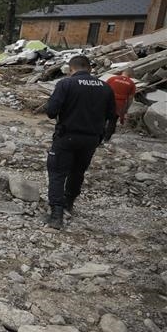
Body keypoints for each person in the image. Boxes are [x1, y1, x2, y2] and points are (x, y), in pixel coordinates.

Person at [44, 55, 116, 229]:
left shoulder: (66, 84)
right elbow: (112, 116)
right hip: (91, 139)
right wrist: (105, 136)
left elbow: (51, 111)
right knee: (78, 171)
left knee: (57, 172)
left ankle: (56, 214)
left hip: (67, 136)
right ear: (90, 69)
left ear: (71, 69)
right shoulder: (106, 87)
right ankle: (69, 203)